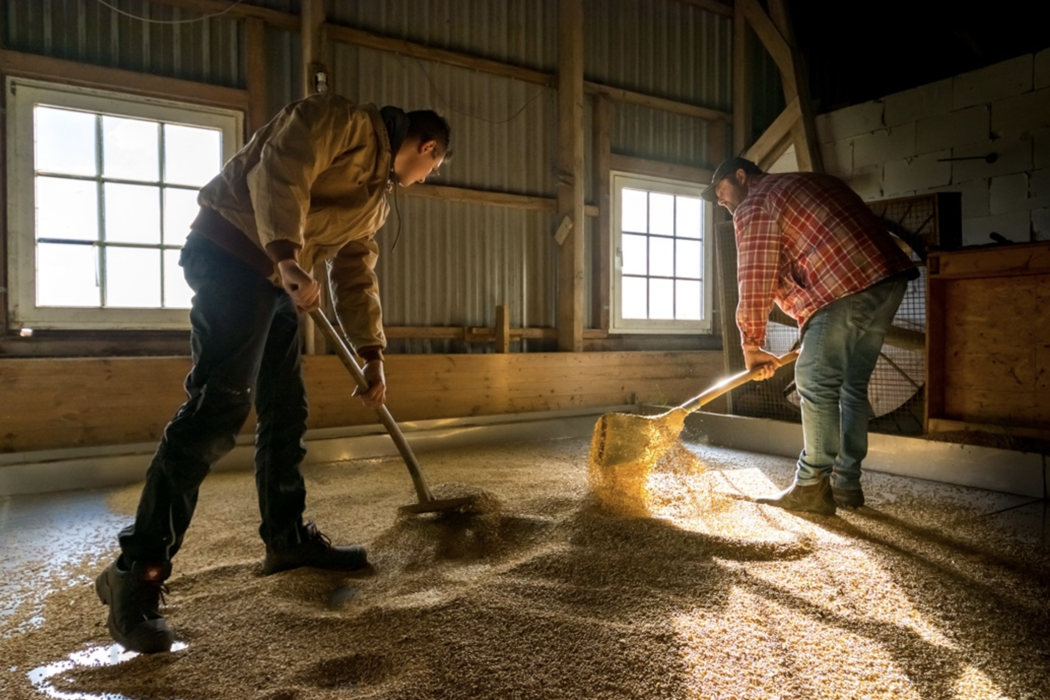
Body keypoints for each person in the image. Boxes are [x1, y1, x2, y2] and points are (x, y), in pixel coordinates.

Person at [95, 93, 451, 654]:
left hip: (275, 278)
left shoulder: (376, 203)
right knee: (219, 407)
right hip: (231, 254)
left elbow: (356, 274)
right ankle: (137, 571)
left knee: (286, 409)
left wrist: (372, 352)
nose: (424, 179)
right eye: (431, 168)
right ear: (427, 147)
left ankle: (285, 538)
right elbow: (282, 173)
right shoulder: (337, 120)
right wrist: (287, 256)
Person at [701, 157, 916, 516]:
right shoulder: (809, 181)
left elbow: (755, 273)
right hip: (885, 279)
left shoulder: (755, 201)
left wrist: (750, 344)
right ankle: (846, 483)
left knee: (815, 380)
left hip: (841, 288)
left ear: (741, 176)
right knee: (850, 385)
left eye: (721, 191)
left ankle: (812, 486)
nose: (721, 201)